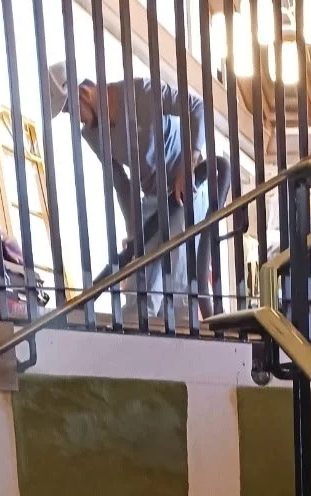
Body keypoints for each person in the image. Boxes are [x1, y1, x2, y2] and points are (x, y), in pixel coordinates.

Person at [46, 62, 230, 318]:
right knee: (139, 278)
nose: (74, 118)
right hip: (154, 199)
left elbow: (198, 108)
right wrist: (134, 231)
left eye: (70, 110)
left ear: (83, 94)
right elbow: (120, 181)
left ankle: (184, 337)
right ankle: (136, 332)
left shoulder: (140, 93)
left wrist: (189, 165)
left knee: (177, 279)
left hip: (187, 190)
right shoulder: (92, 133)